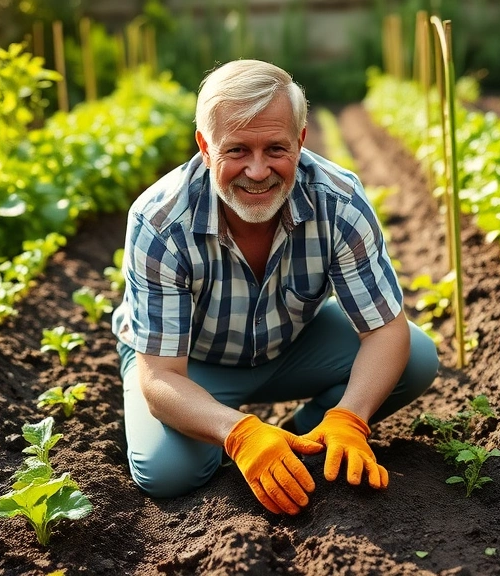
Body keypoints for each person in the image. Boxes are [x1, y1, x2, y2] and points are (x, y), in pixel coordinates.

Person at [111, 59, 439, 515]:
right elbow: (162, 377)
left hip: (291, 344)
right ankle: (240, 435)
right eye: (238, 150)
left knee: (415, 358)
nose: (259, 171)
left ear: (301, 141)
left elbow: (385, 330)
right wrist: (239, 434)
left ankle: (307, 434)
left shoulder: (338, 202)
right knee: (168, 472)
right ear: (206, 148)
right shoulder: (161, 222)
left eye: (276, 149)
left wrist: (350, 418)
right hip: (190, 363)